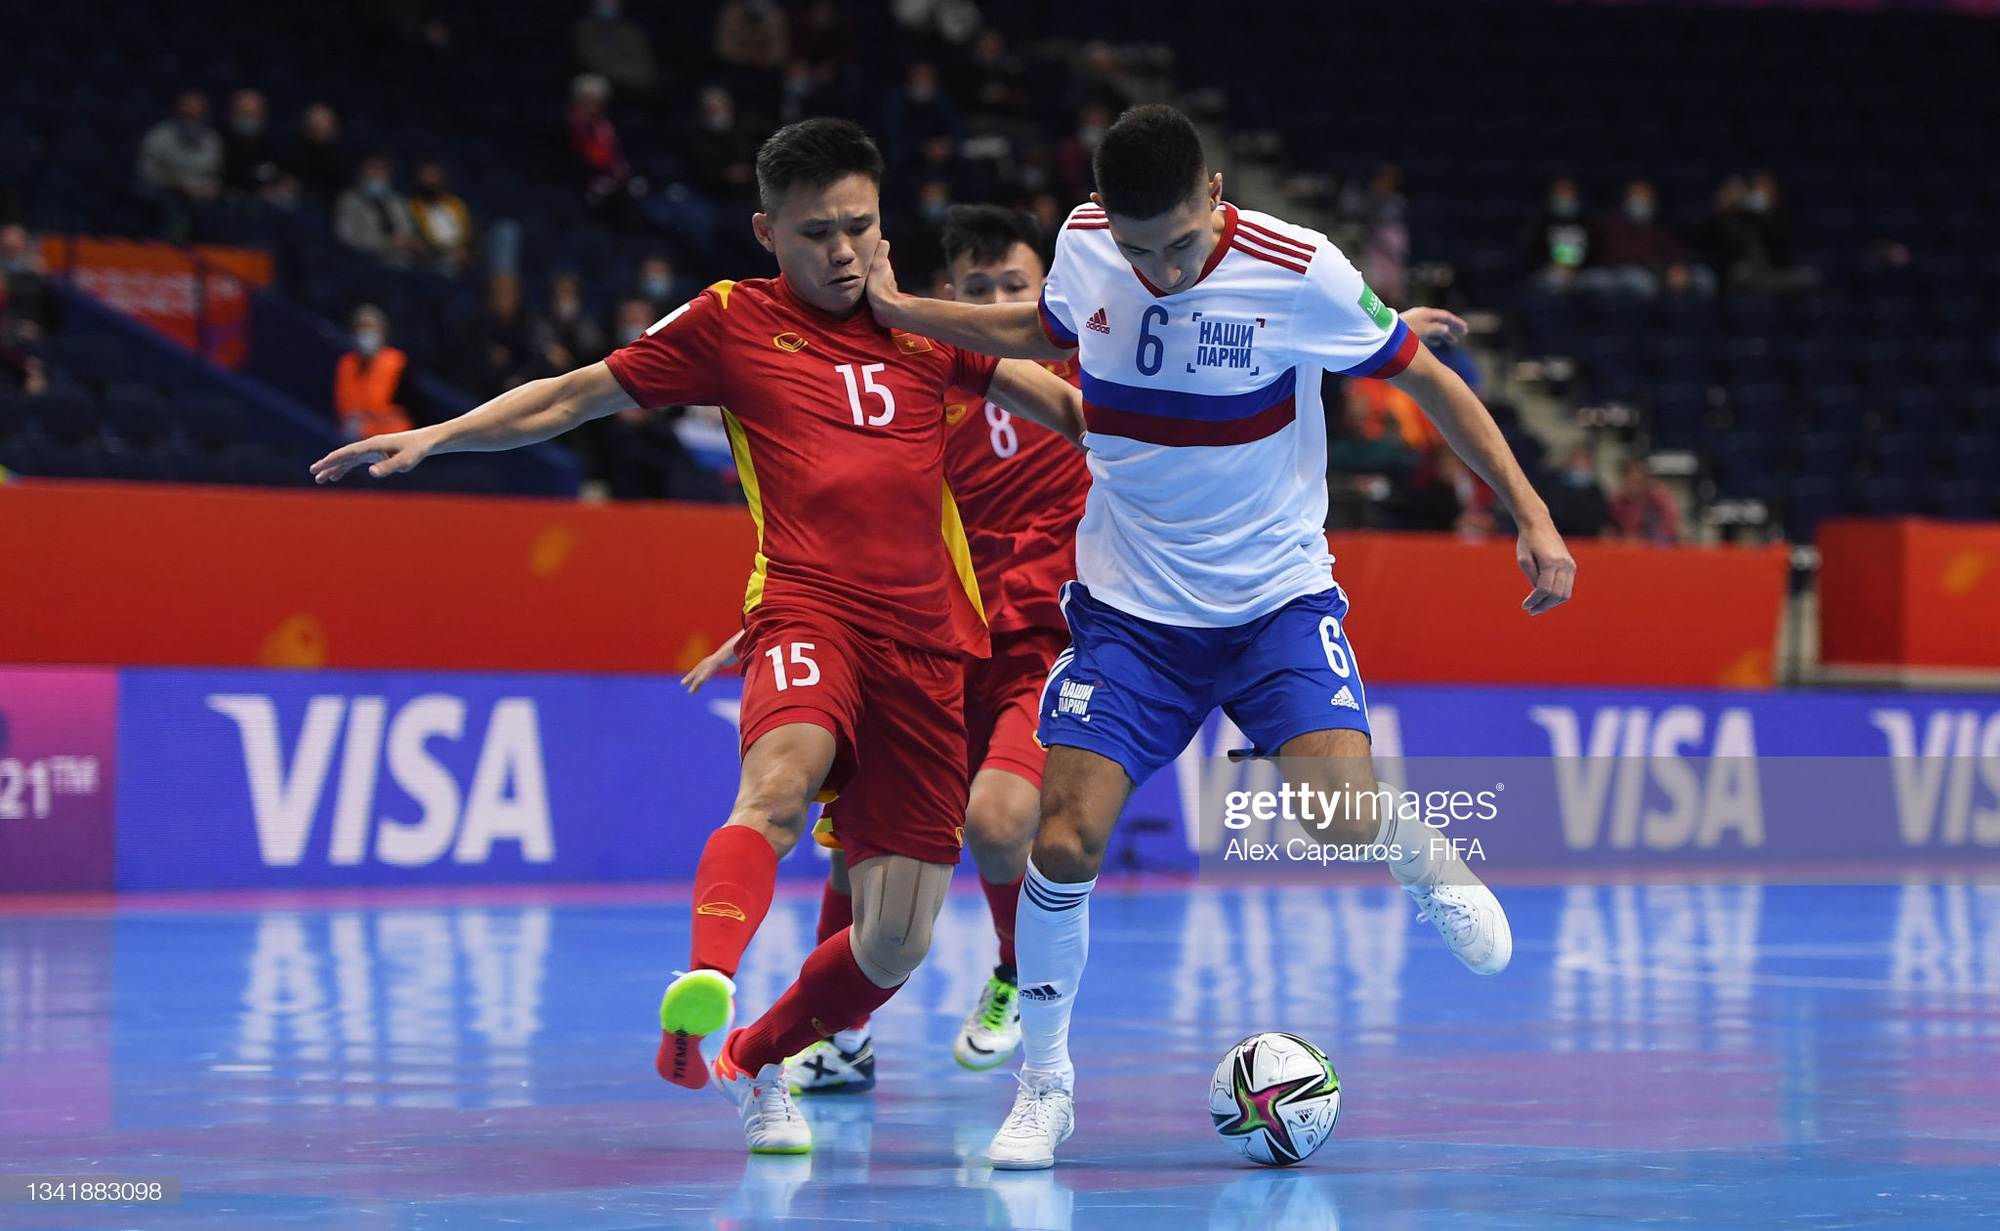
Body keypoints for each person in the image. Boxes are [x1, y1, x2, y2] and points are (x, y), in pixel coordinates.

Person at [307, 119, 1084, 1156]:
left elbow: (1071, 407)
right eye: (817, 233)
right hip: (809, 612)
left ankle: (753, 1061)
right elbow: (577, 393)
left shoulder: (927, 328)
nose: (844, 250)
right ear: (769, 233)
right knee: (776, 784)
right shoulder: (730, 323)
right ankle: (707, 975)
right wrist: (441, 434)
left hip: (928, 648)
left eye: (860, 226)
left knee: (893, 941)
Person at [864, 104, 1574, 1170]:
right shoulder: (1086, 244)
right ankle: (1045, 1085)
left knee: (1339, 817)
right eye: (1139, 251)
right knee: (1059, 839)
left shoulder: (1300, 269)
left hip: (1272, 604)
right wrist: (900, 309)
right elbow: (1041, 332)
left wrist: (1530, 513)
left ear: (1216, 194)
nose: (1159, 269)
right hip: (1129, 615)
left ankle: (1420, 858)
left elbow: (1421, 375)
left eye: (1181, 246)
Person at [685, 205, 1090, 1090]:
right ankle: (840, 1039)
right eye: (976, 288)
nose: (994, 299)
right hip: (935, 637)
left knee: (994, 822)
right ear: (951, 296)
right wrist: (773, 616)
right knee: (853, 841)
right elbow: (863, 516)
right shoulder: (928, 379)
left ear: (1045, 293)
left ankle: (1017, 971)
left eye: (1012, 286)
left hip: (1046, 641)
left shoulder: (1083, 368)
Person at [136, 91, 222, 241]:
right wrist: (177, 184)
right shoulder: (160, 135)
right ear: (178, 109)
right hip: (162, 192)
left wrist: (211, 188)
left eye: (197, 110)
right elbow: (148, 174)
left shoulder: (212, 140)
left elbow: (214, 174)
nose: (192, 114)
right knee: (174, 207)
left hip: (198, 196)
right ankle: (169, 256)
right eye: (188, 109)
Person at [333, 305, 417, 440]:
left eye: (370, 326)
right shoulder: (346, 364)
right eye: (360, 327)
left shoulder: (399, 362)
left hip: (393, 441)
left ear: (383, 330)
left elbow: (415, 409)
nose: (365, 331)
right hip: (356, 441)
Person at [334, 155, 422, 267]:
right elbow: (346, 236)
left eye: (381, 169)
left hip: (405, 261)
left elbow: (412, 230)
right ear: (361, 172)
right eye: (372, 168)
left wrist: (413, 242)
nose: (376, 173)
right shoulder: (349, 201)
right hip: (369, 261)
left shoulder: (399, 202)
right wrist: (387, 242)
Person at [573, 0, 659, 101]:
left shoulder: (630, 32)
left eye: (612, 2)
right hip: (601, 85)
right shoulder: (584, 30)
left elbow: (646, 69)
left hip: (633, 88)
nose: (608, 5)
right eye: (603, 2)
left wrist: (628, 77)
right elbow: (597, 64)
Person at [408, 160, 475, 276]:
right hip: (435, 258)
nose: (431, 181)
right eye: (427, 176)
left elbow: (471, 232)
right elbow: (419, 237)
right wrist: (446, 252)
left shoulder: (455, 204)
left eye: (434, 175)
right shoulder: (413, 207)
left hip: (462, 253)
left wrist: (467, 252)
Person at [1610, 458, 1682, 544]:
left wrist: (1644, 540)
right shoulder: (1619, 502)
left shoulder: (1659, 496)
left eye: (1638, 474)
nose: (1635, 478)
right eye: (1630, 476)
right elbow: (1615, 527)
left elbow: (1670, 524)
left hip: (1656, 546)